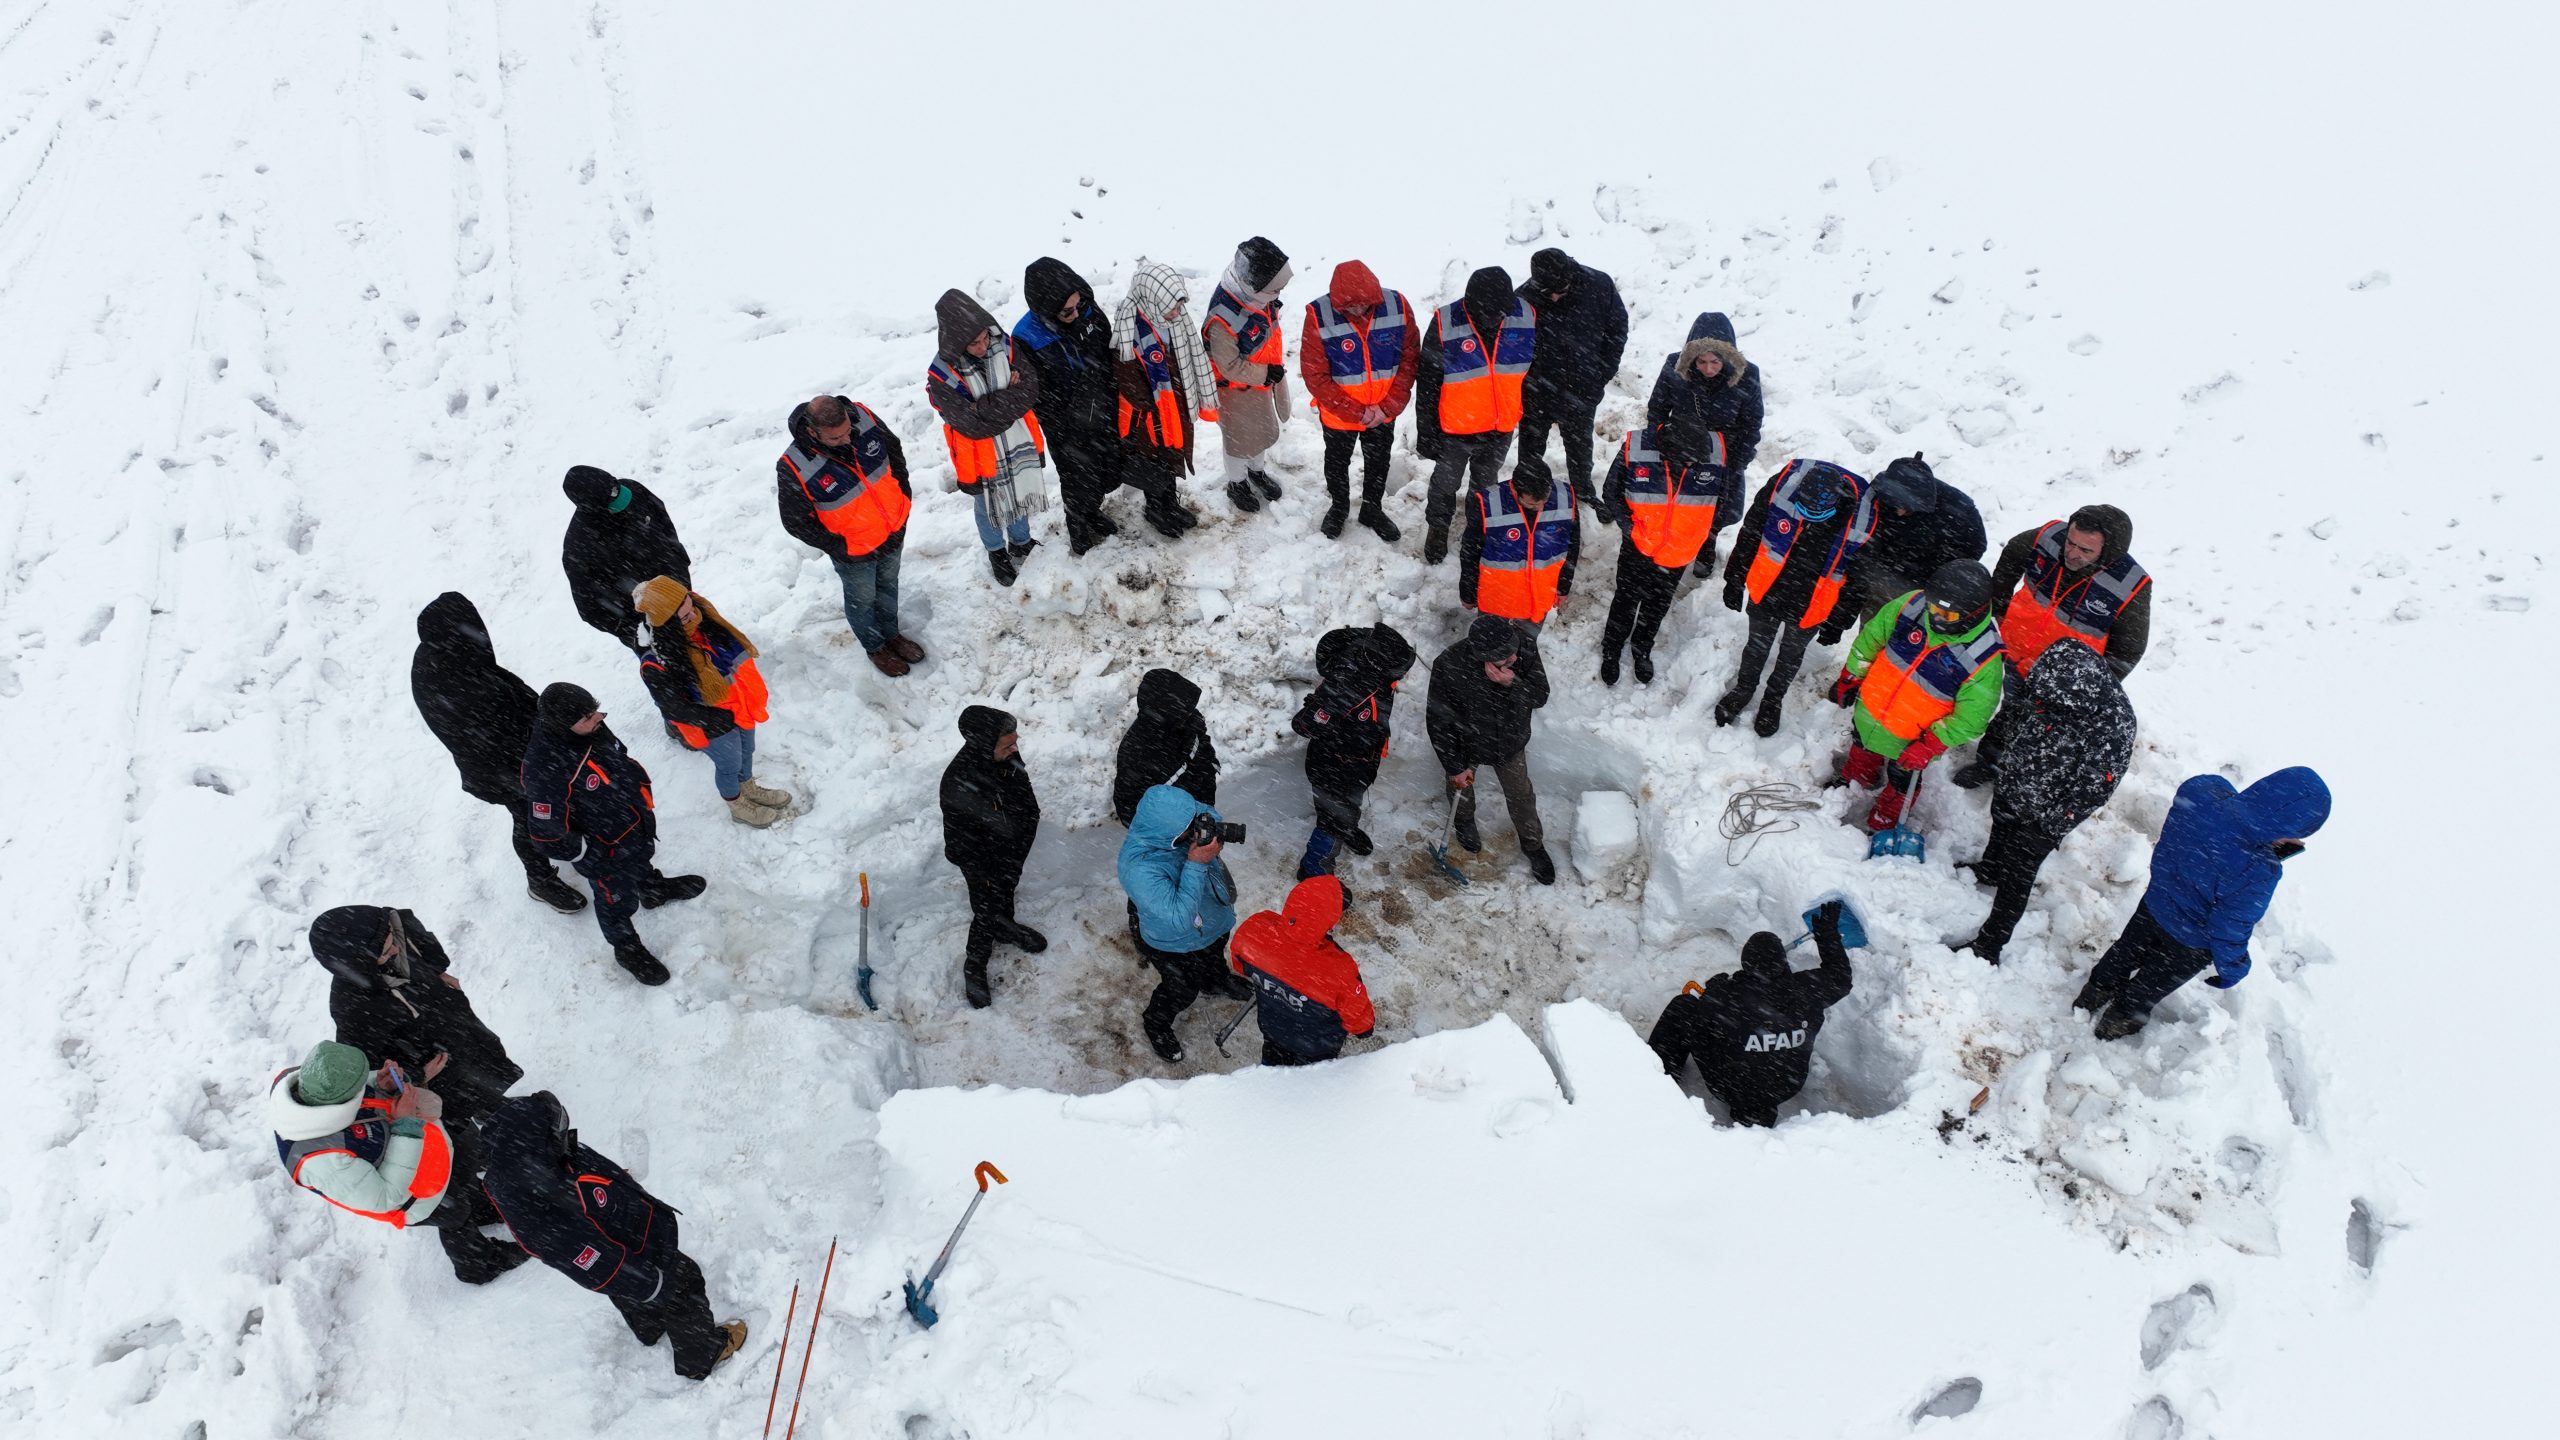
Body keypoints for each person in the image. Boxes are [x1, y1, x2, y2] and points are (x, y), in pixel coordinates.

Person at [478, 1091, 747, 1380]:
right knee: (682, 1283)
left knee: (631, 1295)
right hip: (632, 1253)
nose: (564, 1132)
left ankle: (650, 1326)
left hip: (630, 1235)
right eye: (556, 1129)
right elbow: (601, 1267)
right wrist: (652, 1283)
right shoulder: (544, 1212)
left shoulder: (545, 1163)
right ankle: (702, 1354)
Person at [2077, 767, 2330, 1041]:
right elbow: (2230, 926)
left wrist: (2242, 814)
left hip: (2155, 905)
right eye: (2297, 834)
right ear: (2284, 830)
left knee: (2124, 952)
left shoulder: (2200, 796)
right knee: (2150, 985)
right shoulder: (2260, 870)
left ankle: (2095, 990)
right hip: (2190, 944)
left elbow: (2212, 785)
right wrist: (2234, 968)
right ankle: (2119, 1020)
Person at [268, 1039, 524, 1283]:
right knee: (453, 1212)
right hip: (413, 1197)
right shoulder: (324, 1162)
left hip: (418, 1156)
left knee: (460, 1189)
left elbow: (354, 1090)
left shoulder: (315, 1084)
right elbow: (385, 1197)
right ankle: (478, 1265)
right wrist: (405, 1125)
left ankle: (480, 1208)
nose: (363, 1085)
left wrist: (380, 1084)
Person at [1951, 639, 2135, 964]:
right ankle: (1990, 868)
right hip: (2017, 778)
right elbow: (2014, 717)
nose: (2041, 706)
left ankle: (1990, 945)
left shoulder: (2114, 723)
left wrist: (2049, 826)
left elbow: (2093, 789)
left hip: (2049, 810)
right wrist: (2001, 761)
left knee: (2020, 872)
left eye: (2054, 708)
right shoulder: (2049, 676)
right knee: (2001, 822)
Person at [409, 592, 585, 913]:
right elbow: (492, 735)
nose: (480, 632)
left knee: (542, 807)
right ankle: (540, 879)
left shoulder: (447, 654)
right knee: (529, 816)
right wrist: (538, 763)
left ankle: (566, 840)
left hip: (509, 758)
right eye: (469, 627)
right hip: (502, 769)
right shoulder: (452, 682)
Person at [1954, 504, 2152, 789]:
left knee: (2041, 730)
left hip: (2060, 680)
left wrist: (2085, 688)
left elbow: (2128, 651)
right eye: (2071, 543)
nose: (2072, 553)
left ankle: (2020, 778)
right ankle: (1990, 763)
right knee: (2011, 712)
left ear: (2108, 552)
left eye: (2086, 550)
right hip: (2014, 650)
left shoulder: (2130, 585)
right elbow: (2011, 556)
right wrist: (1998, 606)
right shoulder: (2048, 537)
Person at [522, 682, 705, 986]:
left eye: (595, 712)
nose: (598, 719)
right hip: (604, 850)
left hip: (630, 820)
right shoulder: (546, 768)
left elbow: (618, 756)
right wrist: (590, 853)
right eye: (587, 718)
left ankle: (651, 889)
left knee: (642, 858)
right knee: (614, 901)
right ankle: (626, 948)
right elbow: (545, 834)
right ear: (562, 725)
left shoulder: (590, 727)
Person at [1827, 561, 2004, 835]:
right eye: (1933, 608)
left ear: (1973, 614)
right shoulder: (1911, 605)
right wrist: (1851, 677)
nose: (1936, 618)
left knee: (1902, 781)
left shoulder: (1983, 658)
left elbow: (1971, 719)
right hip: (1870, 709)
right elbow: (1870, 641)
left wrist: (1930, 745)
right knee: (1861, 746)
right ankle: (1858, 779)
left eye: (1949, 616)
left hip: (1912, 740)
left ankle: (1883, 822)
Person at [1645, 902, 1854, 1127]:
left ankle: (1656, 1078)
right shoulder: (1808, 990)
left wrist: (1716, 989)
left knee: (1684, 1006)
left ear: (1746, 963)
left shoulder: (1726, 997)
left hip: (1728, 1087)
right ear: (1783, 964)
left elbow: (1703, 1017)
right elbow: (1840, 978)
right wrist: (1827, 935)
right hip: (1785, 1086)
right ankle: (1755, 1107)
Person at [311, 906, 524, 1123]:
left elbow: (415, 934)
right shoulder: (352, 1007)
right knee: (457, 1094)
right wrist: (416, 1075)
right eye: (385, 953)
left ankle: (490, 1105)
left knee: (481, 1060)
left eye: (392, 939)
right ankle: (483, 1119)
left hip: (451, 1016)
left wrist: (438, 968)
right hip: (428, 1057)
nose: (395, 950)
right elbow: (367, 1067)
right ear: (360, 964)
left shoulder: (389, 926)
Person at [1715, 459, 1879, 732]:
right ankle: (1744, 689)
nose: (1805, 518)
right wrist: (1734, 578)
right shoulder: (1783, 487)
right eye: (1801, 510)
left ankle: (1773, 700)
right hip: (1769, 589)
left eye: (1814, 514)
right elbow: (1751, 532)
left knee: (1791, 654)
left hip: (1812, 604)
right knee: (1756, 646)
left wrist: (1839, 621)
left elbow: (1859, 581)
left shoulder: (1861, 521)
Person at [776, 393, 923, 675]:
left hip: (892, 531)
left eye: (848, 432)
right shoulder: (794, 465)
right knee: (862, 600)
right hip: (854, 553)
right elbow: (795, 521)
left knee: (889, 587)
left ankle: (892, 634)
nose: (846, 440)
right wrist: (839, 546)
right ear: (812, 431)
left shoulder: (862, 417)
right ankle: (876, 646)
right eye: (835, 438)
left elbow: (894, 450)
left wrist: (902, 495)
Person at [631, 577, 789, 829]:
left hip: (740, 707)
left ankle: (748, 787)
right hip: (713, 725)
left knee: (747, 752)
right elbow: (674, 708)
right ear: (666, 624)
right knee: (729, 765)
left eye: (691, 605)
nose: (694, 615)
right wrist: (719, 719)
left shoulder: (706, 624)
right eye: (684, 617)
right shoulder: (657, 662)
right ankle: (737, 804)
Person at [1119, 783, 1250, 1062]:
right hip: (1172, 942)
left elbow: (1208, 811)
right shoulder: (1138, 867)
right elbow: (1179, 919)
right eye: (1188, 830)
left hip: (1211, 920)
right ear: (1167, 833)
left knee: (1214, 955)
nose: (1196, 830)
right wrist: (1197, 863)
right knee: (1181, 987)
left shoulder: (1183, 818)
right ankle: (1156, 1022)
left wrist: (1209, 825)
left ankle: (1216, 981)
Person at [1414, 266, 1536, 565]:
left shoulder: (1524, 315)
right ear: (1472, 303)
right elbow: (1427, 380)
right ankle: (1438, 527)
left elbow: (1532, 369)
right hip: (1456, 428)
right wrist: (1426, 430)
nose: (1497, 318)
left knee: (1485, 485)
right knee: (1445, 484)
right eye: (1491, 313)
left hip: (1500, 426)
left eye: (1501, 312)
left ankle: (1478, 530)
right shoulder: (1445, 322)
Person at [926, 289, 1047, 586]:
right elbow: (968, 424)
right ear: (957, 343)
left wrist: (983, 406)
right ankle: (996, 553)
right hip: (978, 454)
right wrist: (1008, 399)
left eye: (984, 338)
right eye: (974, 343)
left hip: (1015, 444)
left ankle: (1020, 540)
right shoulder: (940, 375)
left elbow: (1030, 389)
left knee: (1018, 490)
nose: (983, 346)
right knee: (987, 505)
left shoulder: (1004, 345)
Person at [1597, 422, 1729, 686]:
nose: (1693, 468)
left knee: (1657, 603)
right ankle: (1611, 648)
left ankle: (1642, 647)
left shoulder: (1713, 455)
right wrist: (1631, 529)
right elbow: (1611, 492)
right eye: (1688, 463)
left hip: (1678, 552)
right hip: (1638, 545)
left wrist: (1701, 535)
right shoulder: (1636, 450)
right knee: (1626, 598)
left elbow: (1726, 502)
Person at [1426, 615, 1556, 885]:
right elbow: (1438, 720)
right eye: (1504, 658)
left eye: (1513, 652)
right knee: (1459, 786)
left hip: (1509, 742)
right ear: (1482, 656)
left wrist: (1512, 683)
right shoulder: (1449, 664)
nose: (1512, 659)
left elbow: (1540, 695)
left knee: (1521, 795)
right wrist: (1454, 766)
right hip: (1467, 744)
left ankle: (1533, 845)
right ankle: (1463, 821)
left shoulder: (1524, 648)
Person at [1014, 257, 1129, 555]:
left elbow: (1107, 347)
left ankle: (1094, 511)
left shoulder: (1086, 310)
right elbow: (1037, 391)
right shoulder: (1027, 337)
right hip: (1067, 425)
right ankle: (1078, 522)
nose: (1076, 313)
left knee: (1106, 467)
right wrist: (1070, 415)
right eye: (1067, 311)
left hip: (1102, 408)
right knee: (1077, 477)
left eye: (1078, 305)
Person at [1299, 260, 1418, 541]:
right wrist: (1355, 411)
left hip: (1383, 412)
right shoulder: (1318, 314)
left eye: (1363, 305)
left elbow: (1410, 359)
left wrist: (1387, 407)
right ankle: (1339, 506)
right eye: (1349, 307)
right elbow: (1315, 375)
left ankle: (1371, 508)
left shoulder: (1397, 306)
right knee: (1337, 462)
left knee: (1378, 462)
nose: (1356, 311)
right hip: (1339, 414)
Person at [1291, 623, 1417, 879]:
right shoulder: (1350, 686)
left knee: (1349, 804)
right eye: (1399, 671)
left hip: (1359, 762)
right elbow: (1303, 725)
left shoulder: (1374, 667)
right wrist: (1322, 709)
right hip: (1334, 767)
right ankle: (1314, 871)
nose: (1401, 676)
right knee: (1330, 820)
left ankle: (1346, 827)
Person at [940, 706, 1045, 1009]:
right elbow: (961, 844)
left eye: (1015, 741)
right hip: (979, 860)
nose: (1015, 748)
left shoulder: (1007, 757)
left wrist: (1020, 842)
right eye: (1007, 744)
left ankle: (1006, 926)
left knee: (1007, 891)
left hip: (1011, 849)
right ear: (985, 744)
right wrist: (987, 871)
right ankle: (975, 964)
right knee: (986, 909)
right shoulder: (957, 784)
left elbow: (1025, 797)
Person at [1515, 248, 1628, 510]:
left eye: (1561, 290)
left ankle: (1583, 491)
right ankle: (1525, 491)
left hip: (1581, 387)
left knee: (1579, 447)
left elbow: (1617, 330)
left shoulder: (1599, 286)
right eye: (1547, 292)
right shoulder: (1522, 298)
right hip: (1536, 390)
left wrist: (1601, 374)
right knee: (1530, 447)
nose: (1554, 296)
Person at [1110, 259, 1211, 539]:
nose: (1178, 312)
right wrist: (1153, 403)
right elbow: (1126, 377)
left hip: (1173, 405)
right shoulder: (1128, 329)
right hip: (1147, 417)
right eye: (1173, 306)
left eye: (1180, 306)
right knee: (1154, 463)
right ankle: (1156, 508)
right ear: (1153, 301)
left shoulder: (1174, 322)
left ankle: (1169, 502)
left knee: (1170, 458)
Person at [1230, 876, 1376, 1067]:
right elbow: (1361, 1024)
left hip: (1273, 1027)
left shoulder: (1254, 929)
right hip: (1317, 1045)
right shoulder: (1340, 970)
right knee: (1310, 1081)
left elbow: (1240, 966)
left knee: (1272, 1069)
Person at [1646, 312, 1763, 533]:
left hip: (1725, 452)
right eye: (1701, 362)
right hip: (1682, 447)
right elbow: (1657, 408)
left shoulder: (1746, 375)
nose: (1708, 369)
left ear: (1726, 359)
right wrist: (1660, 443)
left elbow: (1752, 422)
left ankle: (1708, 543)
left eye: (1715, 362)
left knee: (1717, 511)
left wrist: (1737, 464)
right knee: (1681, 504)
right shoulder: (1675, 365)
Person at [1202, 236, 1294, 514]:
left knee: (1261, 431)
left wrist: (1268, 374)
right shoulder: (1222, 318)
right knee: (1238, 440)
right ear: (1255, 284)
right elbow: (1229, 365)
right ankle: (1237, 482)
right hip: (1236, 391)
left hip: (1261, 381)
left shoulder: (1256, 295)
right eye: (1275, 288)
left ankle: (1257, 471)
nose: (1279, 293)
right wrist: (1265, 374)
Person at [1839, 453, 1986, 627]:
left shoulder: (1959, 511)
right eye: (1895, 506)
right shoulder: (1880, 492)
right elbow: (1867, 543)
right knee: (1875, 626)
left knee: (1912, 632)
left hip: (1925, 583)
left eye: (1906, 508)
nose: (1899, 512)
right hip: (1885, 573)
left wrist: (1934, 572)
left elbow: (1975, 549)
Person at [560, 466, 691, 651]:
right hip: (652, 624)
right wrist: (635, 629)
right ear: (593, 507)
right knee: (687, 670)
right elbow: (589, 608)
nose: (620, 494)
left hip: (679, 591)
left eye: (615, 486)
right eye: (611, 495)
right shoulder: (580, 546)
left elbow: (662, 520)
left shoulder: (632, 490)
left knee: (719, 643)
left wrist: (679, 561)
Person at [1459, 453, 1579, 630]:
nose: (1540, 508)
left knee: (1526, 652)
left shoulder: (1564, 498)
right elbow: (1470, 552)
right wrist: (1468, 592)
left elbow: (1572, 546)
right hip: (1497, 604)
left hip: (1538, 603)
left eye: (1544, 501)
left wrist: (1563, 588)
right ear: (1515, 491)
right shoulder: (1488, 504)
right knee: (1495, 653)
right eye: (1532, 504)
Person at [1112, 669, 1218, 826]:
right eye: (1184, 711)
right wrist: (1178, 831)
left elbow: (1200, 737)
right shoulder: (1136, 754)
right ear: (1168, 710)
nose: (1190, 713)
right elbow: (1129, 812)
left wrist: (1209, 763)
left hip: (1200, 810)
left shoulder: (1185, 718)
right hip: (1175, 831)